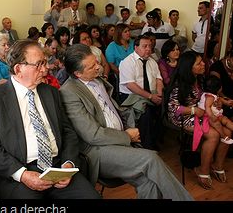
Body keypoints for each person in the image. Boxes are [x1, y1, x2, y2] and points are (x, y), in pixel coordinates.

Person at [59, 44, 192, 200]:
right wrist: (127, 136)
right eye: (91, 66)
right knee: (150, 158)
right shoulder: (69, 92)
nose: (99, 67)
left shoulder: (97, 80)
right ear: (77, 73)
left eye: (96, 62)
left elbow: (113, 110)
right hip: (97, 150)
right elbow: (92, 135)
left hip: (118, 141)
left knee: (148, 182)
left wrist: (128, 128)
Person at [0, 40, 100, 199]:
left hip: (57, 167)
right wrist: (22, 175)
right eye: (39, 64)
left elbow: (67, 132)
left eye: (44, 62)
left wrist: (68, 164)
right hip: (20, 172)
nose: (45, 69)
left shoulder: (51, 93)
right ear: (18, 69)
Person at [166, 51, 229, 189]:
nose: (203, 64)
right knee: (213, 135)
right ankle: (203, 171)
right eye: (199, 63)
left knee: (228, 131)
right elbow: (173, 108)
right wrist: (194, 110)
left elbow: (208, 96)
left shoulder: (200, 79)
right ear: (189, 67)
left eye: (202, 61)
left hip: (201, 112)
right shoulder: (179, 83)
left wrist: (216, 102)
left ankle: (217, 165)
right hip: (183, 116)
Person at [197, 75, 233, 144]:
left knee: (225, 119)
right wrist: (212, 116)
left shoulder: (213, 95)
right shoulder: (210, 97)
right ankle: (223, 136)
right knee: (217, 124)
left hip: (215, 114)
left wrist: (226, 102)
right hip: (207, 116)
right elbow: (207, 107)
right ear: (218, 88)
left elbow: (220, 99)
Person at [209, 49, 233, 119]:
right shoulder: (216, 68)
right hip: (222, 100)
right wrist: (227, 100)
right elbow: (215, 89)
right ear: (229, 57)